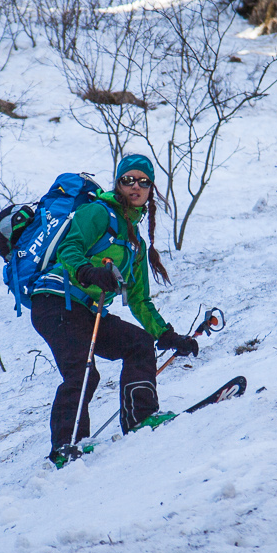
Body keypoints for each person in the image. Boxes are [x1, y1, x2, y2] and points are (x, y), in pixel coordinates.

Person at [30, 154, 199, 468]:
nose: (135, 186)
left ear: (151, 189)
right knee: (83, 370)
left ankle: (141, 417)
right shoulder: (97, 212)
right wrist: (88, 273)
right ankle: (67, 447)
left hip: (89, 311)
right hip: (55, 301)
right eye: (128, 180)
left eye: (143, 181)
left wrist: (167, 335)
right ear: (118, 184)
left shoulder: (134, 242)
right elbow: (70, 247)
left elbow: (139, 300)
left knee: (139, 343)